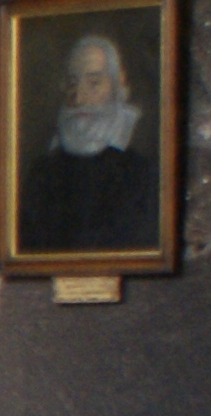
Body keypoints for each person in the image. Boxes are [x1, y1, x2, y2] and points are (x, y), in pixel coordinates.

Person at [19, 28, 155, 256]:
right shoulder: (41, 173)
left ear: (116, 87)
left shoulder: (140, 172)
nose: (79, 98)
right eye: (73, 83)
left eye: (94, 83)